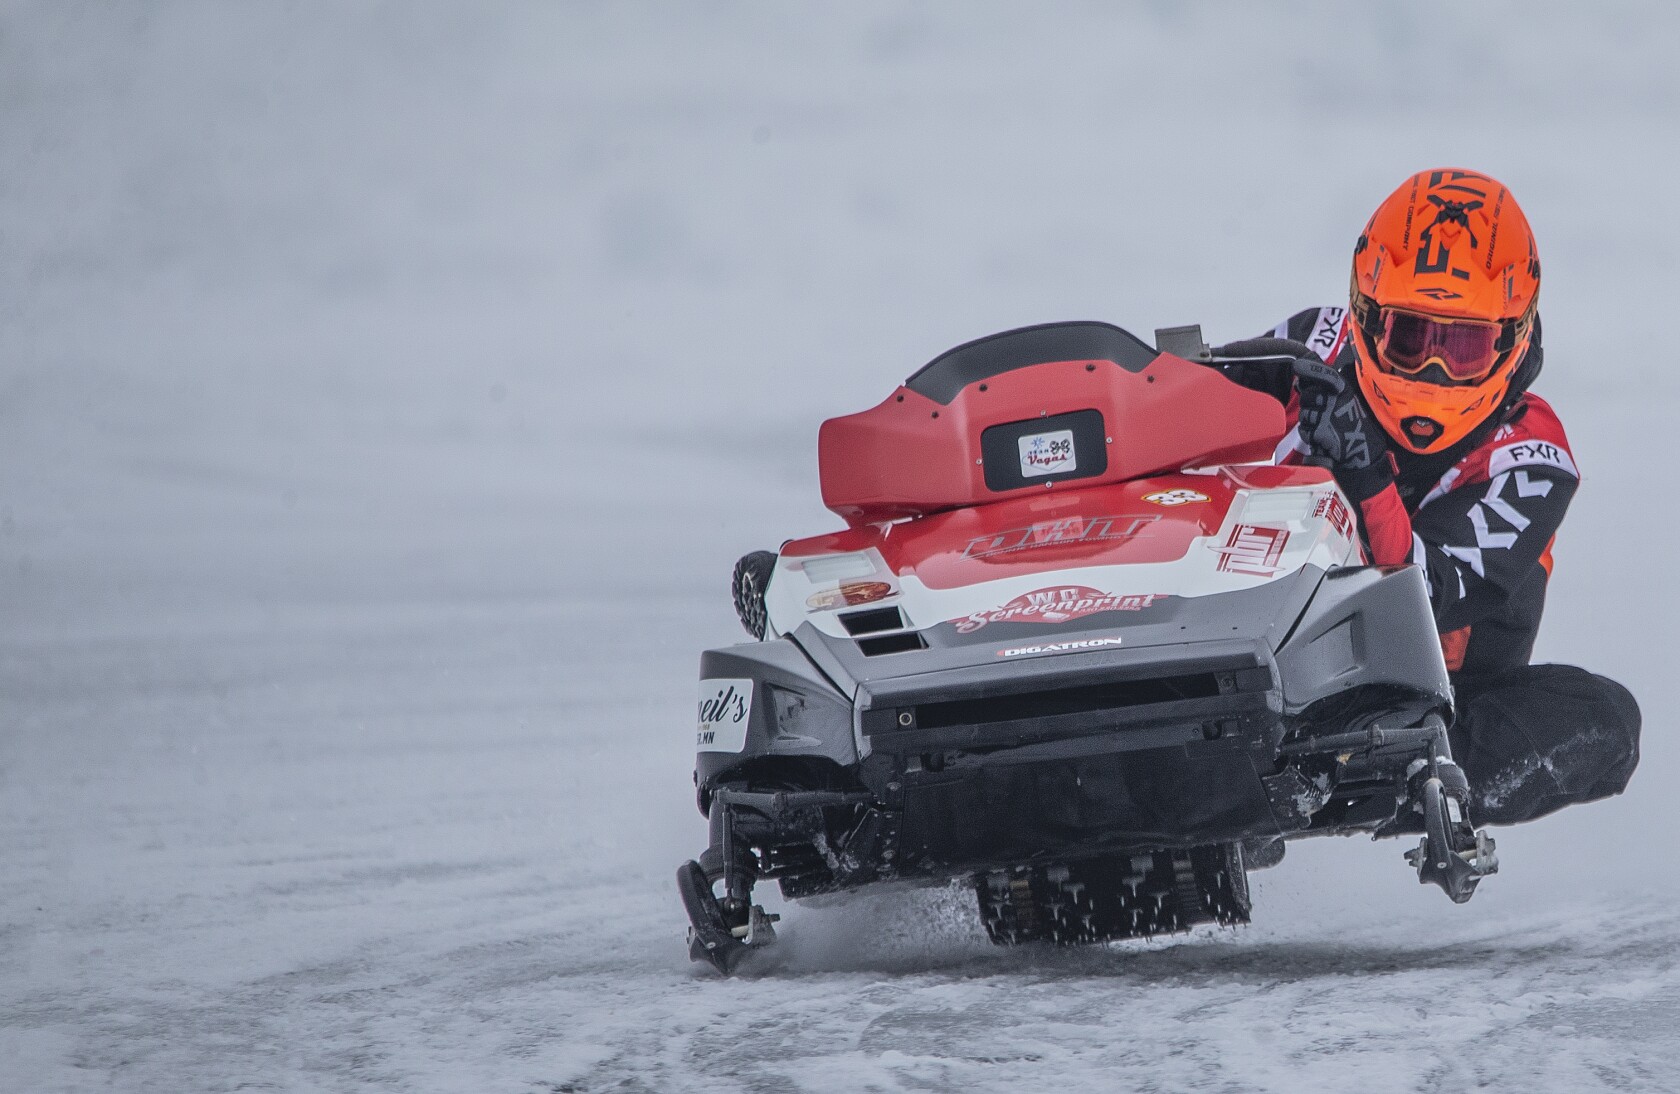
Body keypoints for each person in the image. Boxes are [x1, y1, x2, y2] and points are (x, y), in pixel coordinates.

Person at [1222, 167, 1640, 827]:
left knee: (1605, 722)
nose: (1435, 370)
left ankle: (1350, 789)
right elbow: (1185, 421)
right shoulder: (1315, 344)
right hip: (1263, 657)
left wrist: (1361, 465)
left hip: (1428, 708)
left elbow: (1428, 594)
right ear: (1364, 314)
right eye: (1411, 338)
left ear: (1513, 335)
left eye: (1465, 345)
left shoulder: (1533, 456)